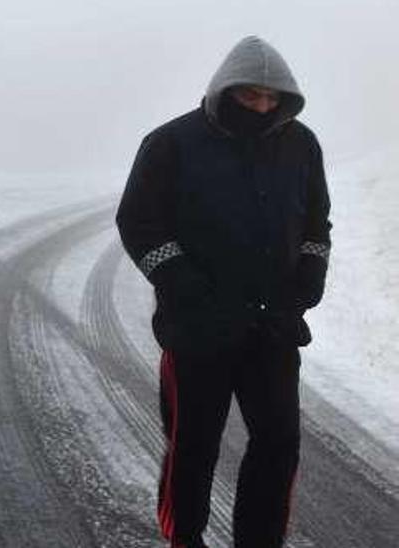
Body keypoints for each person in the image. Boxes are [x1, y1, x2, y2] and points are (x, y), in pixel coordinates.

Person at [116, 35, 331, 547]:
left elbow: (316, 225)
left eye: (270, 97)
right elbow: (138, 222)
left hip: (272, 328)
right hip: (197, 332)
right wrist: (184, 288)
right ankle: (184, 538)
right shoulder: (172, 143)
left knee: (279, 444)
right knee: (193, 447)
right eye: (249, 95)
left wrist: (306, 284)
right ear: (225, 89)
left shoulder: (301, 144)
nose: (260, 106)